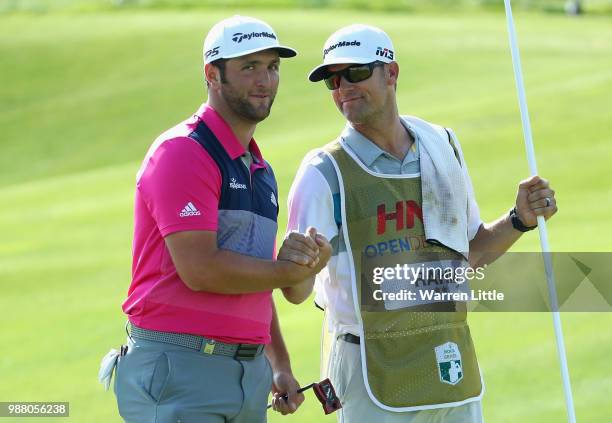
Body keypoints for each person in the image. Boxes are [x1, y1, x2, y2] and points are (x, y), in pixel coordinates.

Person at [286, 24, 558, 422]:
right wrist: (300, 267)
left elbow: (469, 253)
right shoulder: (323, 172)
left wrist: (519, 220)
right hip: (369, 368)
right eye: (333, 78)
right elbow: (296, 291)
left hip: (449, 360)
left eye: (356, 73)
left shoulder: (441, 145)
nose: (343, 87)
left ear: (391, 72)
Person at [99, 15, 331, 423]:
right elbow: (202, 270)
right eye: (249, 67)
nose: (265, 80)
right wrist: (290, 270)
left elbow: (254, 277)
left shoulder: (260, 169)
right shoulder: (184, 152)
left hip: (247, 373)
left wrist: (278, 363)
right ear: (212, 74)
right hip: (181, 369)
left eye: (272, 67)